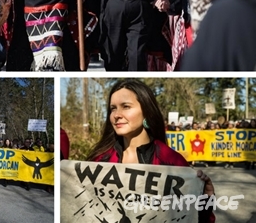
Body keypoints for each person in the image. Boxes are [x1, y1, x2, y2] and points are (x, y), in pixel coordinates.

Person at [87, 79, 214, 222]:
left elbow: (190, 217)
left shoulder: (171, 161)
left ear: (146, 112)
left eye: (126, 106)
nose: (116, 115)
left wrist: (205, 200)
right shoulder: (99, 160)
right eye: (113, 108)